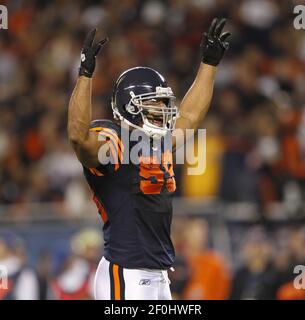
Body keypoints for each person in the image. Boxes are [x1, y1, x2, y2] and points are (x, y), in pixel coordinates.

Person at [67, 18, 231, 300]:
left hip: (158, 273)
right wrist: (85, 75)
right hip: (125, 272)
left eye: (163, 103)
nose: (163, 110)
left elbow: (189, 117)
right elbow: (78, 138)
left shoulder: (158, 141)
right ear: (130, 107)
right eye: (154, 103)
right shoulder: (113, 139)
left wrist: (209, 64)